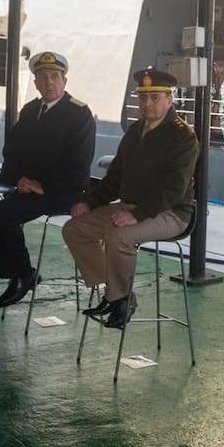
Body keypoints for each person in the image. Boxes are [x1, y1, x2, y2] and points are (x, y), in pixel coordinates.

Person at [0, 52, 95, 328]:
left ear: (65, 80)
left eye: (55, 77)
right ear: (35, 82)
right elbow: (13, 151)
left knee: (2, 212)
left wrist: (42, 185)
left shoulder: (79, 114)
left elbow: (78, 163)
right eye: (43, 77)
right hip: (29, 191)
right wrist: (19, 179)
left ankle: (23, 273)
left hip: (63, 192)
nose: (49, 82)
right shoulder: (30, 111)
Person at [62, 67, 198, 329]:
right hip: (132, 207)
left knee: (118, 236)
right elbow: (115, 178)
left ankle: (120, 299)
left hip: (171, 213)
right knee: (75, 229)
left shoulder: (183, 137)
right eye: (143, 97)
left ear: (170, 100)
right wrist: (89, 202)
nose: (147, 104)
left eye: (155, 98)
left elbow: (173, 189)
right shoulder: (136, 132)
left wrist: (136, 215)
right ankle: (116, 293)